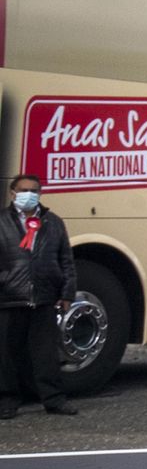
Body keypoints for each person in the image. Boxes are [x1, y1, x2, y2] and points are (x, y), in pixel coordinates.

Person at [0, 174, 79, 417]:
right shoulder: (2, 221)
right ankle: (7, 402)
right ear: (13, 193)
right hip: (9, 296)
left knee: (45, 354)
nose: (29, 194)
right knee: (6, 355)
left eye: (34, 190)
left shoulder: (53, 222)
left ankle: (54, 400)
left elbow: (66, 260)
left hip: (44, 297)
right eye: (24, 190)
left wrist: (67, 292)